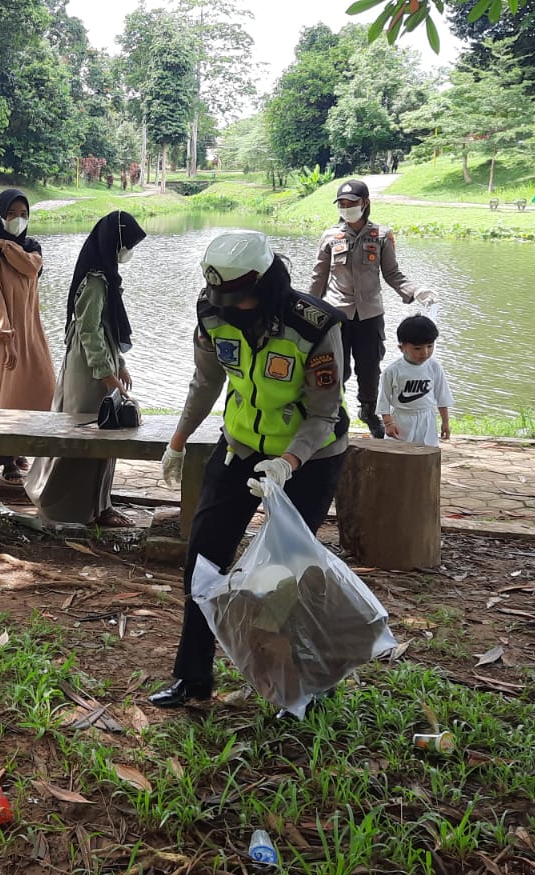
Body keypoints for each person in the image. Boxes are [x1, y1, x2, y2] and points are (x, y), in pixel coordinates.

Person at [148, 231, 350, 708]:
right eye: (221, 297)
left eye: (239, 296)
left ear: (264, 281)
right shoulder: (213, 310)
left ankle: (301, 685)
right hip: (239, 448)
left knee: (285, 576)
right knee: (202, 561)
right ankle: (192, 679)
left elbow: (324, 412)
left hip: (310, 457)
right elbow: (206, 380)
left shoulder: (314, 325)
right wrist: (177, 442)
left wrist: (288, 463)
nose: (230, 306)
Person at [23, 211, 146, 527]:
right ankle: (68, 506)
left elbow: (108, 329)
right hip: (88, 369)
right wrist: (106, 372)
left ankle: (98, 506)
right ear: (114, 243)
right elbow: (89, 331)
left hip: (99, 363)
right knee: (86, 435)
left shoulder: (105, 275)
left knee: (103, 435)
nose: (128, 252)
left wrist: (120, 364)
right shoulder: (95, 280)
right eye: (127, 245)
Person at [308, 179, 434, 440]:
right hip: (337, 315)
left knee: (369, 369)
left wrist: (414, 290)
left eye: (351, 203)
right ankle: (333, 414)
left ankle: (368, 411)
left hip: (370, 316)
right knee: (335, 369)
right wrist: (307, 313)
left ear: (364, 204)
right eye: (342, 204)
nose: (346, 208)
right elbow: (318, 279)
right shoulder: (330, 236)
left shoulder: (382, 236)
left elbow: (392, 274)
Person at [0, 189, 54, 483]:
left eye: (24, 215)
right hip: (3, 334)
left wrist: (6, 244)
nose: (18, 220)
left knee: (42, 389)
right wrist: (5, 337)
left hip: (31, 331)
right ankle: (5, 459)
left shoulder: (30, 247)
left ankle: (21, 447)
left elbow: (31, 268)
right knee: (4, 398)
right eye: (12, 215)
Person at [378, 314, 453, 446]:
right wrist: (388, 423)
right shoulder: (393, 371)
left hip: (427, 419)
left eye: (430, 346)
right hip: (402, 420)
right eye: (417, 348)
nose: (425, 353)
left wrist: (445, 422)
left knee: (427, 453)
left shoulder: (434, 367)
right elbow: (383, 399)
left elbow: (442, 396)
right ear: (402, 348)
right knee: (398, 454)